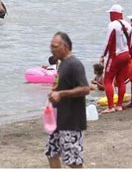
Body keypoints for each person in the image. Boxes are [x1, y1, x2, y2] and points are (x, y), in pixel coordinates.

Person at [45, 32, 90, 168]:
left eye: (55, 46)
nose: (52, 49)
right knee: (51, 153)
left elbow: (85, 89)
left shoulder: (74, 64)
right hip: (59, 120)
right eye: (51, 46)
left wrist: (61, 94)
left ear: (65, 46)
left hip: (72, 121)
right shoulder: (62, 64)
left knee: (74, 162)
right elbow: (61, 86)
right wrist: (53, 92)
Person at [99, 4, 132, 113]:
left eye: (110, 14)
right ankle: (119, 105)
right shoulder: (128, 25)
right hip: (126, 54)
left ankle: (110, 106)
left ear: (113, 14)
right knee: (121, 80)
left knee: (107, 80)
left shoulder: (112, 25)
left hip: (116, 55)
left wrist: (102, 56)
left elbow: (108, 42)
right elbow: (130, 42)